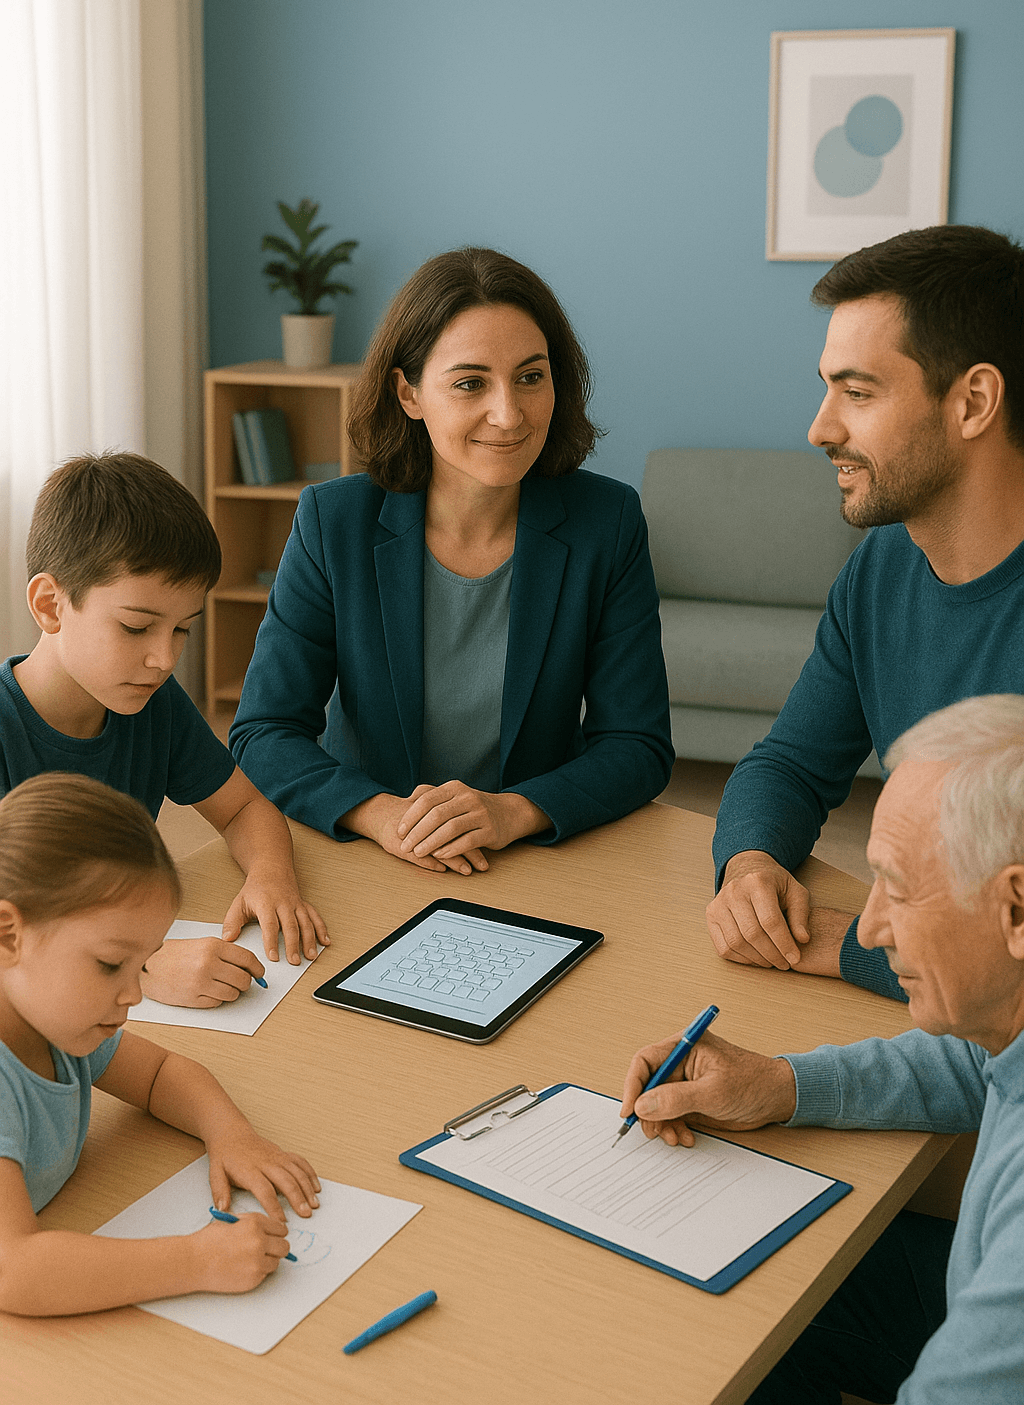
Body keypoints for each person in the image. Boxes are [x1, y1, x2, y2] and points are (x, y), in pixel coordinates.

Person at [625, 694, 1024, 1403]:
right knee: (775, 1291)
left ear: (1017, 909)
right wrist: (776, 1084)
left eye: (897, 891)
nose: (867, 930)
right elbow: (976, 1063)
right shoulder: (1006, 1027)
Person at [230, 247, 673, 871]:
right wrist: (381, 814)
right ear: (408, 393)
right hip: (371, 851)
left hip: (532, 856)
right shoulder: (334, 523)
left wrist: (512, 811)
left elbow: (637, 745)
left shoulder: (609, 522)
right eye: (470, 383)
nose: (509, 413)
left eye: (530, 376)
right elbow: (263, 731)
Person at [708, 224, 1024, 1001]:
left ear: (973, 402)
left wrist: (844, 947)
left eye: (857, 391)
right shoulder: (881, 568)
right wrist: (750, 864)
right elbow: (788, 764)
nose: (821, 428)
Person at [2, 453, 329, 1007]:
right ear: (50, 605)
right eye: (136, 627)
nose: (163, 659)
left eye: (181, 629)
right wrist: (141, 968)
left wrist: (270, 878)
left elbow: (245, 809)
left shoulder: (151, 703)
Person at [0, 774, 320, 1315]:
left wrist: (230, 1134)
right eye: (109, 964)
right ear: (9, 935)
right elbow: (15, 1273)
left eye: (143, 961)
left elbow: (159, 1074)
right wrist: (196, 1261)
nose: (133, 992)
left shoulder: (55, 1021)